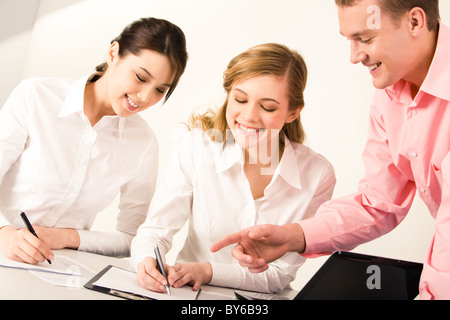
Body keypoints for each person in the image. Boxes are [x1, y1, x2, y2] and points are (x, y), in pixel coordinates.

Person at [211, 0, 450, 299]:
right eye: (349, 39)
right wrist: (293, 236)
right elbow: (377, 203)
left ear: (414, 22)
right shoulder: (388, 100)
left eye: (365, 38)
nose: (354, 56)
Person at [130, 43, 336, 293]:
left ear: (292, 112)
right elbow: (155, 231)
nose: (249, 116)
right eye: (240, 99)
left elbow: (279, 274)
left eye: (268, 107)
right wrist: (146, 261)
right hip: (187, 294)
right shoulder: (196, 147)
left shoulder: (317, 174)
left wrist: (208, 271)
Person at [0, 17, 188, 264]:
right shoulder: (36, 96)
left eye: (160, 90)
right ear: (113, 53)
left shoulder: (142, 143)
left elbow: (133, 238)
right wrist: (4, 233)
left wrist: (67, 237)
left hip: (58, 268)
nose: (144, 97)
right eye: (141, 78)